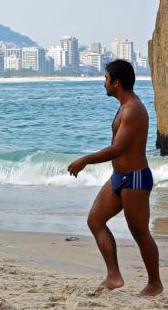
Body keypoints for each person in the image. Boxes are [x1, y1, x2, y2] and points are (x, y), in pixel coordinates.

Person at [68, 60, 163, 297]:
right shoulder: (123, 106)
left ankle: (155, 284)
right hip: (119, 177)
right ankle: (114, 276)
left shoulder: (133, 110)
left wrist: (85, 160)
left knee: (139, 232)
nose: (104, 82)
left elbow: (118, 148)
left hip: (136, 179)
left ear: (116, 82)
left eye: (106, 77)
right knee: (95, 220)